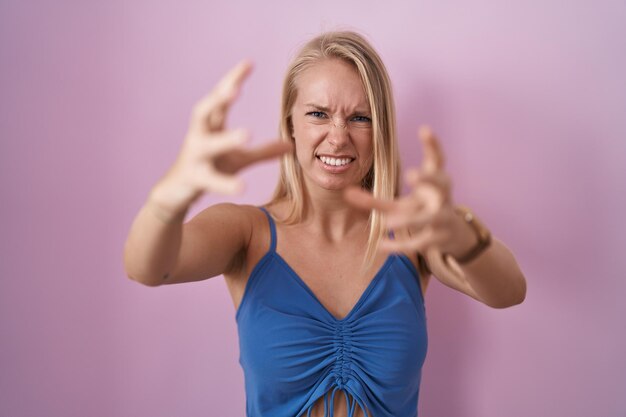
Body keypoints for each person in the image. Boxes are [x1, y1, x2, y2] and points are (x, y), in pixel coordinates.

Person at [124, 31, 526, 417]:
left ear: (380, 130)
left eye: (360, 118)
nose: (337, 138)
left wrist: (463, 234)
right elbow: (147, 267)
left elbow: (508, 291)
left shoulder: (412, 232)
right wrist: (172, 192)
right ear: (291, 124)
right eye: (318, 114)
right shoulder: (245, 232)